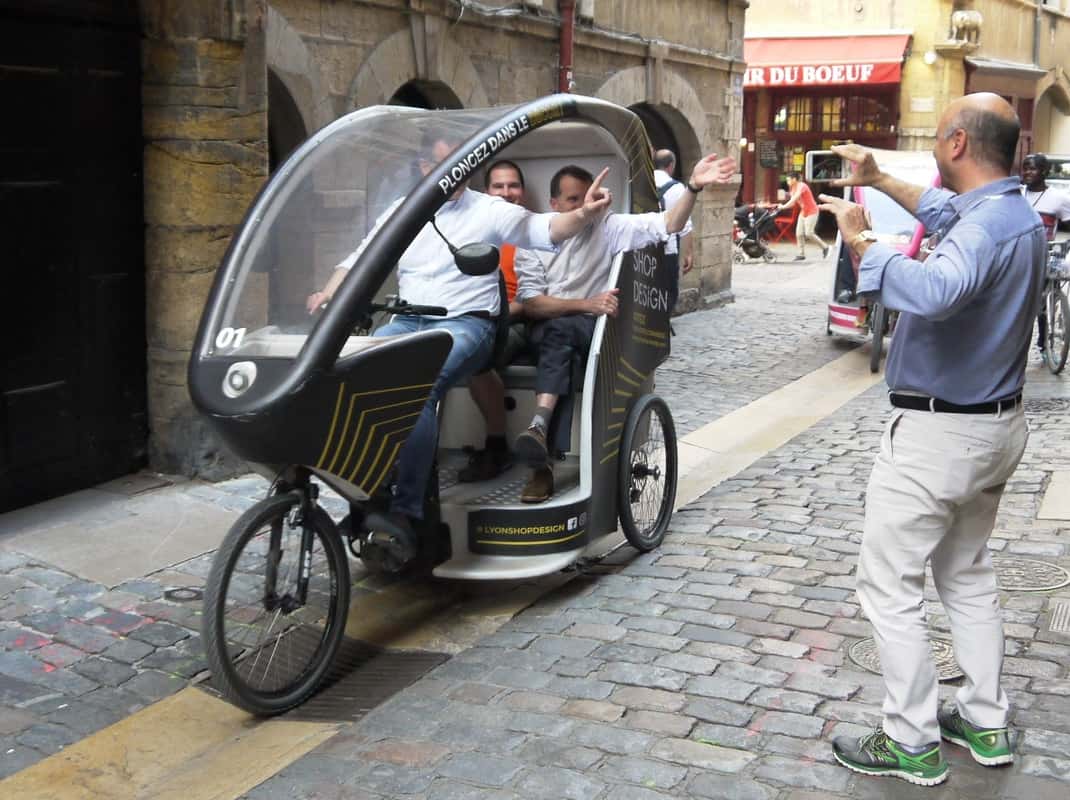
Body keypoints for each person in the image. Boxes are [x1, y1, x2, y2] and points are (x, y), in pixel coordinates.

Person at [818, 93, 1046, 786]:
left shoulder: (986, 231)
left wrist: (861, 240)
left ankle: (909, 739)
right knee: (967, 576)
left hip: (940, 434)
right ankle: (984, 720)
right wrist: (881, 176)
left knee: (889, 586)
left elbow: (939, 287)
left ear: (954, 144)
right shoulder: (1012, 215)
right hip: (993, 426)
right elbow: (949, 215)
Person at [306, 132, 613, 568]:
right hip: (408, 320)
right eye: (440, 164)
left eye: (460, 164)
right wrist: (328, 293)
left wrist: (583, 212)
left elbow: (545, 228)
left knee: (417, 386)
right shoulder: (405, 211)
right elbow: (359, 258)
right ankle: (369, 495)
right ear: (423, 169)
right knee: (352, 376)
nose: (452, 172)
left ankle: (407, 515)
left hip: (468, 324)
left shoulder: (489, 210)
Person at [514, 154, 737, 502]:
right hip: (551, 326)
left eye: (590, 195)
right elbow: (533, 304)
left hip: (593, 329)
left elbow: (671, 224)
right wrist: (585, 303)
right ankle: (542, 451)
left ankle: (540, 436)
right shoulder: (535, 236)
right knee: (561, 344)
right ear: (554, 204)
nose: (587, 204)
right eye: (574, 200)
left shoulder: (609, 226)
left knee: (563, 335)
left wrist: (692, 187)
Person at [459, 159, 542, 482]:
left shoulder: (532, 230)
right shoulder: (474, 229)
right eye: (499, 186)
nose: (507, 193)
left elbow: (532, 297)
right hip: (471, 313)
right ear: (486, 191)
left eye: (513, 185)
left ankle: (496, 446)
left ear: (522, 191)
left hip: (515, 319)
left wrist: (500, 311)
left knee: (477, 354)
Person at [1020, 153, 1070, 362]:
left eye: (1033, 168)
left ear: (1045, 171)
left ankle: (1043, 345)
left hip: (1045, 254)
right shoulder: (1016, 194)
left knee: (1043, 300)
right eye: (1026, 168)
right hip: (1019, 256)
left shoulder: (1058, 198)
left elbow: (1067, 225)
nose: (1028, 172)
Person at [653, 149, 694, 310]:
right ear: (671, 166)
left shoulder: (640, 183)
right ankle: (663, 323)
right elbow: (685, 225)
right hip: (667, 250)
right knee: (669, 292)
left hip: (643, 251)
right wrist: (689, 254)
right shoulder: (677, 189)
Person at [778, 171, 829, 261]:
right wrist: (783, 207)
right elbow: (793, 203)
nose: (787, 182)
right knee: (799, 234)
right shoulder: (792, 188)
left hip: (812, 211)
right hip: (803, 212)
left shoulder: (802, 186)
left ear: (794, 179)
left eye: (788, 180)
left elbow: (795, 198)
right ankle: (801, 254)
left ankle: (825, 247)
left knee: (809, 233)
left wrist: (783, 207)